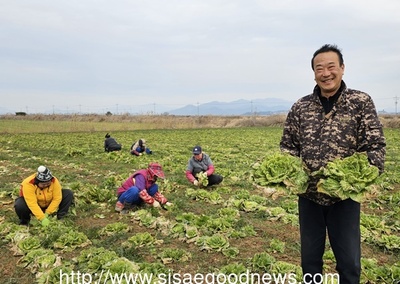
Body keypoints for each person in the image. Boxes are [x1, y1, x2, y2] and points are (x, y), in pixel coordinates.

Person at [280, 44, 386, 283]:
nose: (326, 73)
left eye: (331, 67)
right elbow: (287, 146)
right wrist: (289, 174)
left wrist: (356, 178)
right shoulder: (301, 106)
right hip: (309, 197)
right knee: (309, 262)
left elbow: (375, 146)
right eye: (320, 68)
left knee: (349, 263)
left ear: (342, 68)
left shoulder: (360, 102)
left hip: (344, 198)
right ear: (314, 73)